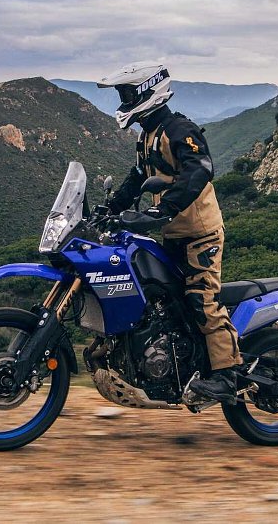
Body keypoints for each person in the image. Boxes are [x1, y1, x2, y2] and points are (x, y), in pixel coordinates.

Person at [97, 61, 241, 403]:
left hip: (200, 234)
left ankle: (228, 375)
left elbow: (200, 170)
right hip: (174, 235)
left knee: (201, 299)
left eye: (128, 94)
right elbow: (137, 177)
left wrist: (163, 209)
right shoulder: (147, 135)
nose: (124, 101)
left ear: (148, 92)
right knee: (164, 301)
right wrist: (110, 209)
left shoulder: (179, 129)